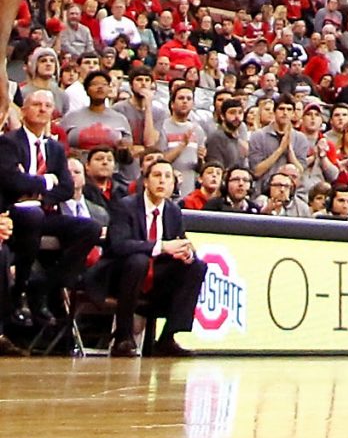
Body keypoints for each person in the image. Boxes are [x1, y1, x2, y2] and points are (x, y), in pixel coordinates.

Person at [1, 87, 98, 321]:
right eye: (36, 104)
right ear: (23, 111)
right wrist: (46, 180)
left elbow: (66, 187)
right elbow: (10, 180)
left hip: (43, 210)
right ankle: (20, 289)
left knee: (91, 228)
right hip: (13, 211)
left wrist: (39, 194)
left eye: (47, 106)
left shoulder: (55, 148)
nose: (42, 109)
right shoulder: (8, 142)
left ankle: (44, 286)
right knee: (31, 215)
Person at [105, 157, 203, 357]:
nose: (162, 181)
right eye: (157, 175)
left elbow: (180, 241)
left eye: (167, 177)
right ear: (146, 181)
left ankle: (168, 337)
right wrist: (162, 246)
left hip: (156, 278)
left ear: (173, 185)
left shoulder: (173, 211)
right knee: (138, 261)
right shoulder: (125, 206)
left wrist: (186, 252)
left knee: (196, 266)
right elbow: (119, 245)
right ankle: (123, 337)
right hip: (120, 274)